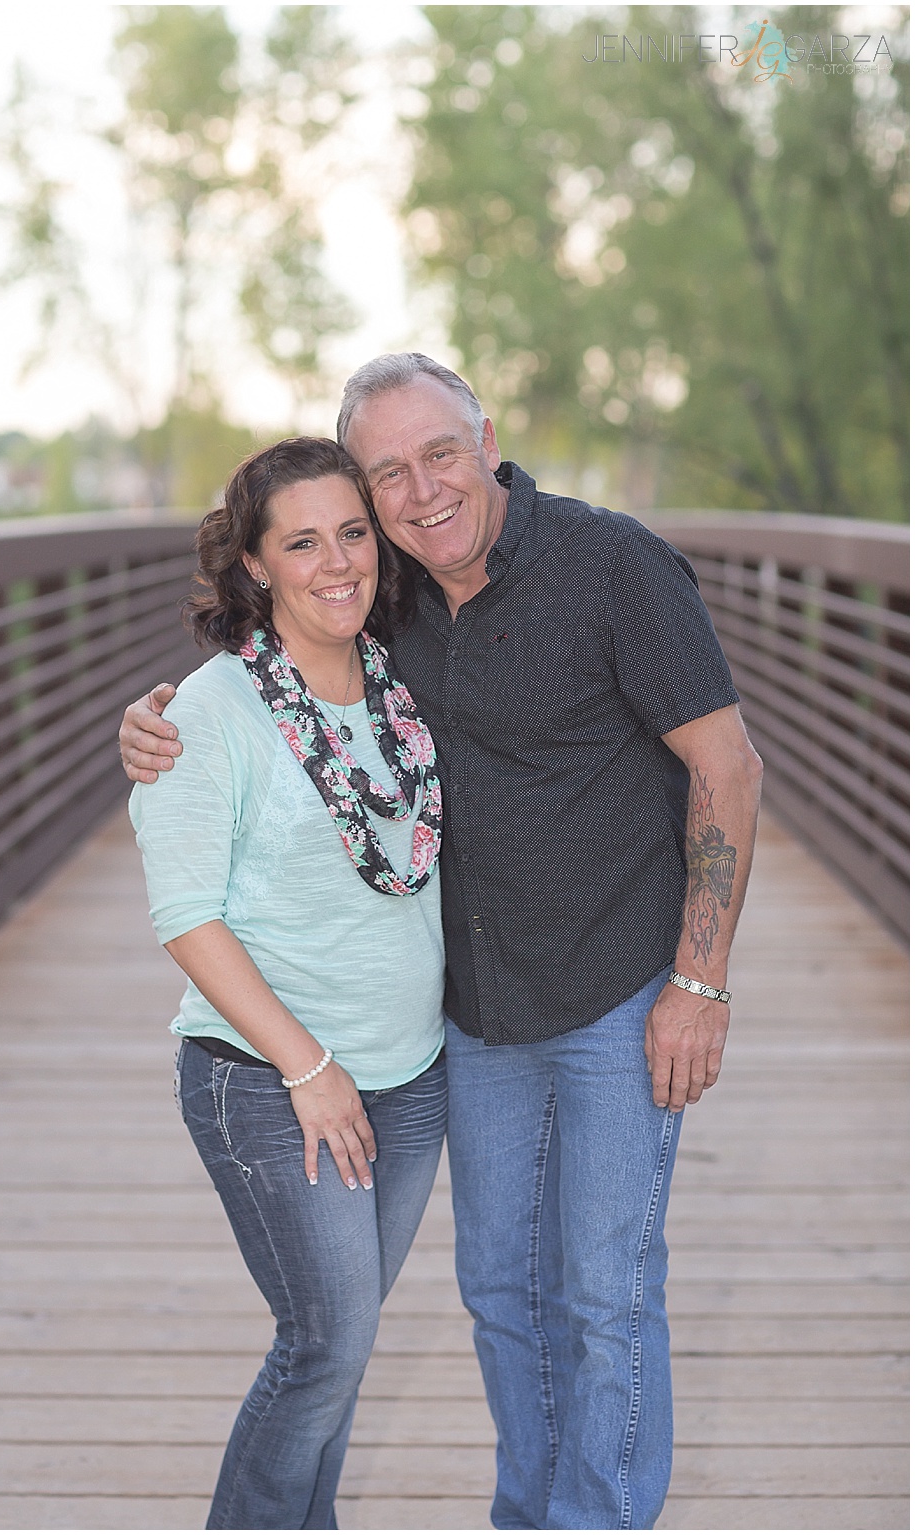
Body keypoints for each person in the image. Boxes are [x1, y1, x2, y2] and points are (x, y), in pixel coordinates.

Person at [121, 354, 764, 1530]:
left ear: (485, 439)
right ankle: (530, 1513)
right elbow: (268, 678)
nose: (416, 497)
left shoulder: (611, 565)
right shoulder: (389, 597)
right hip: (468, 1015)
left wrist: (699, 979)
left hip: (617, 988)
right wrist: (155, 719)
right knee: (501, 1290)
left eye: (436, 455)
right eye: (384, 478)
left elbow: (724, 764)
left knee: (603, 1289)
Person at [132, 436, 448, 1529]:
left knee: (342, 1349)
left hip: (408, 1074)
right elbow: (184, 912)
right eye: (300, 541)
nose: (336, 562)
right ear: (255, 564)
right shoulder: (207, 712)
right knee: (322, 1345)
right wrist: (307, 1065)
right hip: (272, 1079)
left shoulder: (405, 673)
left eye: (352, 532)